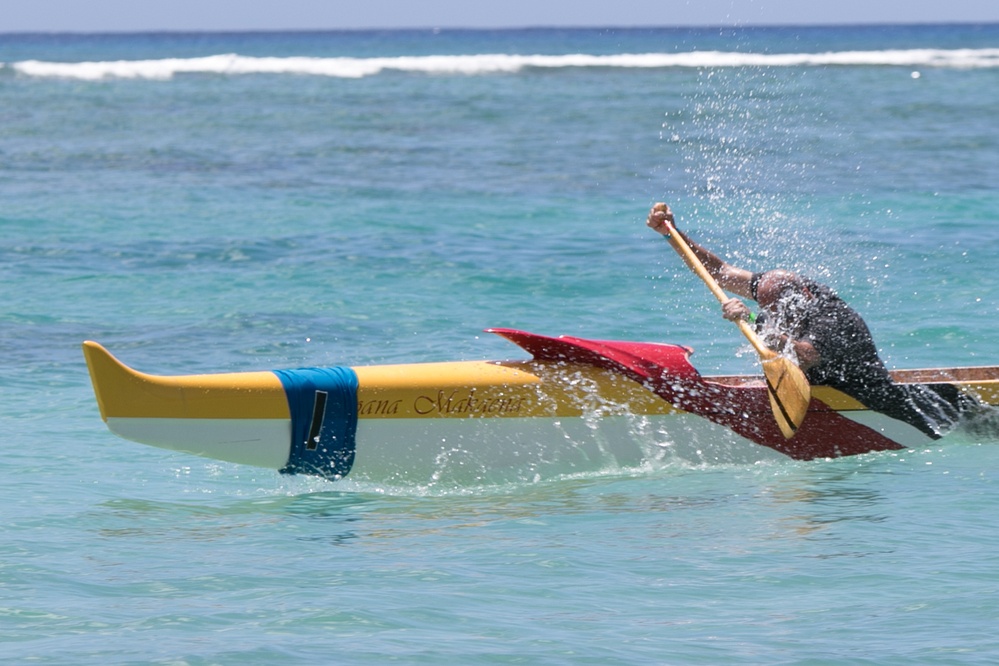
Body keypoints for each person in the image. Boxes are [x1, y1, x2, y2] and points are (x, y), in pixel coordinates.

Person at [646, 202, 977, 439]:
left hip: (885, 405)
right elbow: (720, 272)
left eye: (777, 310)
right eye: (763, 306)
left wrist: (747, 317)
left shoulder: (834, 319)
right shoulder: (777, 289)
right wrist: (672, 234)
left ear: (801, 297)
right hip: (816, 388)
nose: (771, 314)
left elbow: (805, 354)